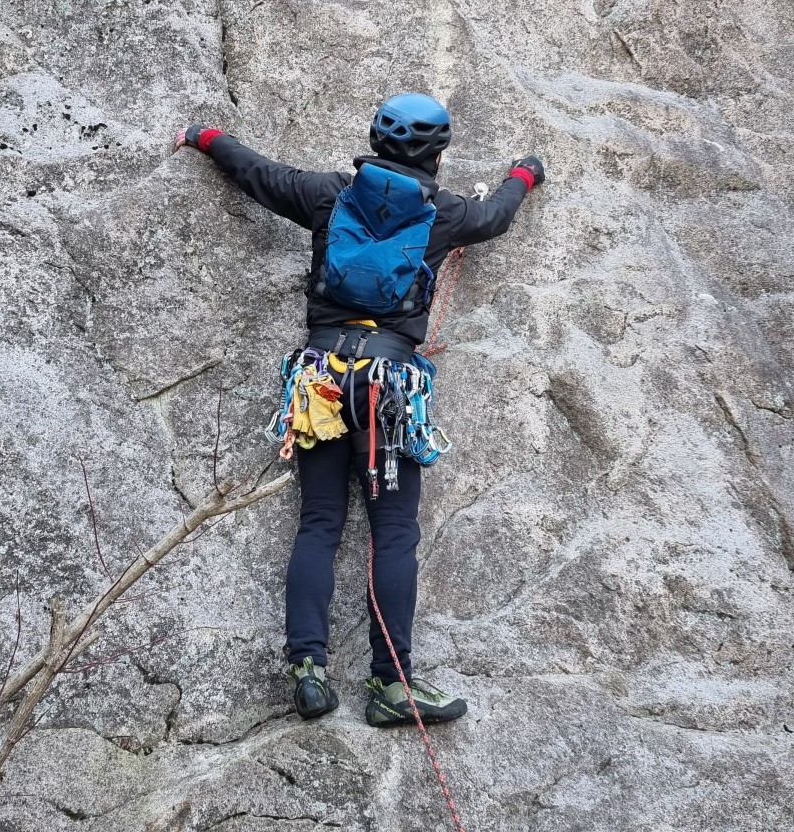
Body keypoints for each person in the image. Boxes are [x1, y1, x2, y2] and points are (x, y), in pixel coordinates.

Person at [174, 94, 544, 728]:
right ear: (439, 150)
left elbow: (256, 172)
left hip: (318, 378)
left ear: (374, 135)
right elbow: (496, 215)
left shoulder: (328, 196)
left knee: (319, 521)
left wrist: (205, 136)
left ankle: (307, 668)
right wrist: (525, 174)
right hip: (389, 383)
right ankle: (391, 685)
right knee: (393, 531)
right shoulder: (446, 213)